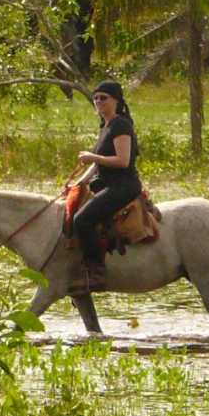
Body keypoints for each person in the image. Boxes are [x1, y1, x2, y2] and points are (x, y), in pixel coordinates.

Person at [72, 80, 142, 292]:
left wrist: (93, 156)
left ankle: (96, 273)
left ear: (116, 101)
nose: (98, 101)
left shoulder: (120, 125)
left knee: (82, 220)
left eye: (104, 98)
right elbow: (97, 164)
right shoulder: (105, 126)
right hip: (108, 184)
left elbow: (122, 160)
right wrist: (80, 182)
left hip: (123, 185)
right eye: (96, 98)